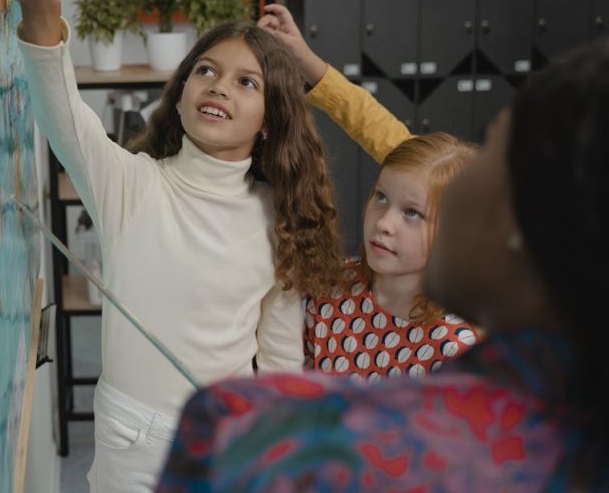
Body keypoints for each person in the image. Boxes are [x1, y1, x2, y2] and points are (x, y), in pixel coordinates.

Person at [0, 0, 346, 491]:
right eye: (205, 71)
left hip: (227, 439)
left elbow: (281, 358)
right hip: (134, 439)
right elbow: (63, 112)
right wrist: (41, 2)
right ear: (179, 97)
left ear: (270, 121)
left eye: (245, 82)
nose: (219, 88)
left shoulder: (281, 215)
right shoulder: (133, 183)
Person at [157, 36, 609, 491]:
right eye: (382, 198)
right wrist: (319, 72)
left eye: (491, 148)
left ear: (525, 225)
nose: (389, 222)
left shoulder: (236, 432)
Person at [258, 5, 479, 380]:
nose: (385, 223)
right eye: (380, 198)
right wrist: (306, 62)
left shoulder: (455, 350)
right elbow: (376, 128)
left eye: (412, 213)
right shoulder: (329, 292)